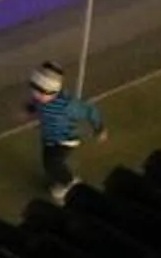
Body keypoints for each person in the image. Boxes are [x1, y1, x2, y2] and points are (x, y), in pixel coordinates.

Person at [26, 62, 108, 202]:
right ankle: (58, 176)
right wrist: (30, 110)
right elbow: (36, 105)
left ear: (53, 91)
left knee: (53, 163)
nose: (37, 96)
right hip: (49, 137)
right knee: (48, 160)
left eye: (40, 93)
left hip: (65, 140)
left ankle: (70, 183)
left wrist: (99, 128)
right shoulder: (41, 98)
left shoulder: (67, 105)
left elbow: (89, 111)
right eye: (34, 91)